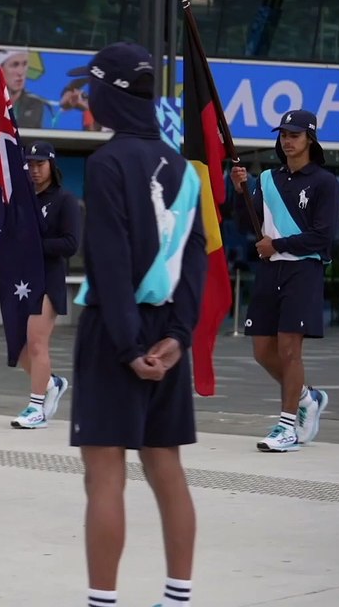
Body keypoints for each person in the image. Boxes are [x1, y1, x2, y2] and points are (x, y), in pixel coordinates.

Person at [67, 43, 206, 607]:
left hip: (114, 329)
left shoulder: (105, 164)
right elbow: (195, 261)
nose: (86, 96)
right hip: (169, 333)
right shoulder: (182, 168)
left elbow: (109, 258)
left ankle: (103, 601)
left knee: (104, 476)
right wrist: (178, 337)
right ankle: (178, 596)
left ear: (111, 94)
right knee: (166, 466)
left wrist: (127, 348)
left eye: (91, 87)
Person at [230, 108, 335, 452]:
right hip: (270, 269)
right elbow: (251, 226)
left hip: (303, 270)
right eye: (284, 135)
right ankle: (307, 397)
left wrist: (278, 244)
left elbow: (323, 235)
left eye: (294, 134)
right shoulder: (268, 180)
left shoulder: (324, 181)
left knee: (290, 350)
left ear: (310, 138)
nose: (287, 140)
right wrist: (240, 190)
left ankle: (287, 425)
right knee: (262, 350)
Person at [10, 140, 79, 429]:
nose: (34, 169)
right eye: (30, 164)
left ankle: (36, 407)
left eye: (40, 163)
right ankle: (51, 382)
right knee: (17, 346)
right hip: (20, 280)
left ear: (52, 165)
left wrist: (34, 245)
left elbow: (71, 244)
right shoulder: (21, 199)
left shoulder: (64, 199)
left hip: (48, 279)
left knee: (37, 342)